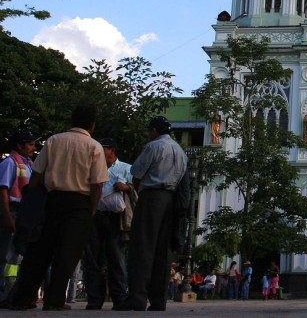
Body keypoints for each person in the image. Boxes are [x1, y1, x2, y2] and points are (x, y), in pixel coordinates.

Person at [11, 104, 109, 311]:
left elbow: (37, 172)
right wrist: (90, 209)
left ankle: (24, 296)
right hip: (79, 204)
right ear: (92, 125)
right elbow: (97, 185)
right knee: (67, 254)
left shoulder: (54, 140)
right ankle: (54, 299)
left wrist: (33, 200)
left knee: (39, 251)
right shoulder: (94, 147)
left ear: (72, 121)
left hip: (52, 200)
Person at [118, 116, 187, 311]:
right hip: (170, 201)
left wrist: (140, 193)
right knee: (162, 252)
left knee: (143, 247)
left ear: (154, 130)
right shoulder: (180, 151)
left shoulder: (154, 146)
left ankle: (137, 299)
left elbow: (136, 173)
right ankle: (158, 301)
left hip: (152, 198)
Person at [84, 137, 133, 310]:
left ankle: (119, 297)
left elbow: (135, 190)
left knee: (116, 258)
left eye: (102, 148)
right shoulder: (92, 168)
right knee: (92, 258)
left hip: (115, 218)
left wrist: (126, 187)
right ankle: (94, 298)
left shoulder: (126, 168)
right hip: (95, 215)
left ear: (111, 150)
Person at [0, 129, 36, 302]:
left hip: (23, 212)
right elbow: (3, 191)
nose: (33, 147)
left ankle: (14, 294)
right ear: (19, 145)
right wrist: (7, 217)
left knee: (19, 254)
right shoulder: (10, 163)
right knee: (4, 253)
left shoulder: (28, 163)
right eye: (29, 144)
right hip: (12, 210)